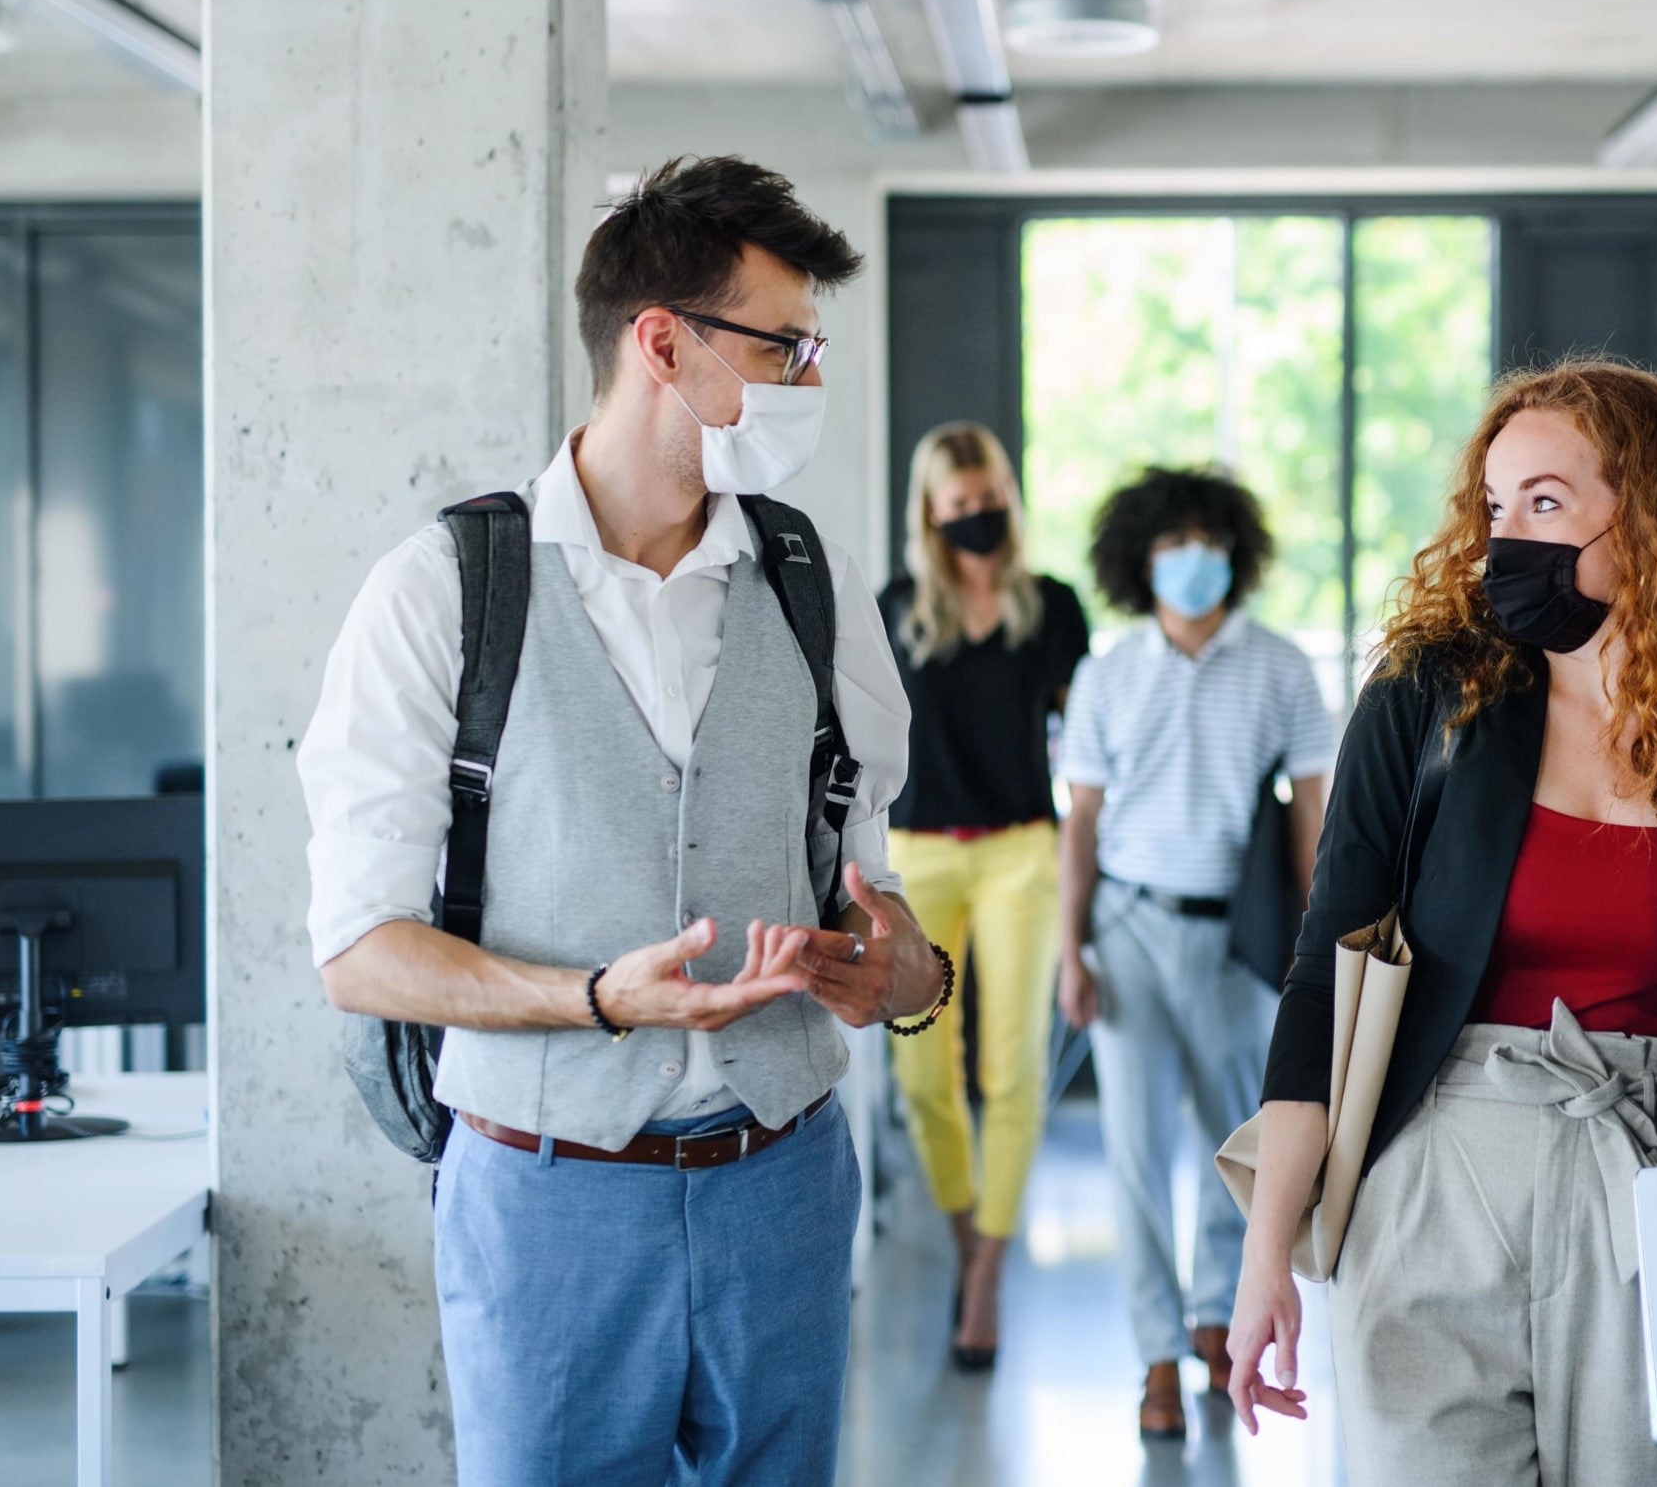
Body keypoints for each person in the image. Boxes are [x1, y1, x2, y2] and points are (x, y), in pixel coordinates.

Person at [299, 156, 950, 1487]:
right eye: (784, 343)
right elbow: (361, 949)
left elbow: (874, 895)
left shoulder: (813, 591)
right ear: (663, 341)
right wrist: (596, 999)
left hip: (786, 1181)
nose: (807, 380)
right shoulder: (440, 594)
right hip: (546, 1195)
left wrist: (911, 977)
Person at [1222, 359, 1657, 1486]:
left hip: (1654, 1198)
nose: (1509, 540)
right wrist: (1263, 1261)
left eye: (1545, 503)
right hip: (1435, 1177)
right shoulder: (1428, 693)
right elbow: (1324, 980)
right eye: (1496, 508)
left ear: (1649, 517)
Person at [1055, 465, 1336, 1441]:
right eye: (1170, 544)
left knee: (1236, 1145)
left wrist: (1318, 945)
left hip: (1238, 938)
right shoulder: (1107, 672)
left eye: (1205, 541)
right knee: (1134, 1153)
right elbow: (1079, 823)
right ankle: (1154, 1356)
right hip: (1127, 930)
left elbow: (1314, 810)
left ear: (1235, 553)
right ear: (1140, 560)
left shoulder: (1281, 667)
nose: (1190, 561)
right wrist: (1069, 950)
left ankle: (1219, 1318)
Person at [877, 421, 1091, 1370]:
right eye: (957, 505)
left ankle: (990, 1273)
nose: (977, 516)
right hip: (917, 857)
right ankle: (968, 1237)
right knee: (922, 1078)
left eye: (989, 496)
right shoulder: (892, 609)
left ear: (1009, 492)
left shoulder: (1052, 606)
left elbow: (1087, 740)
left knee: (1011, 1071)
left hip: (1019, 854)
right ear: (930, 511)